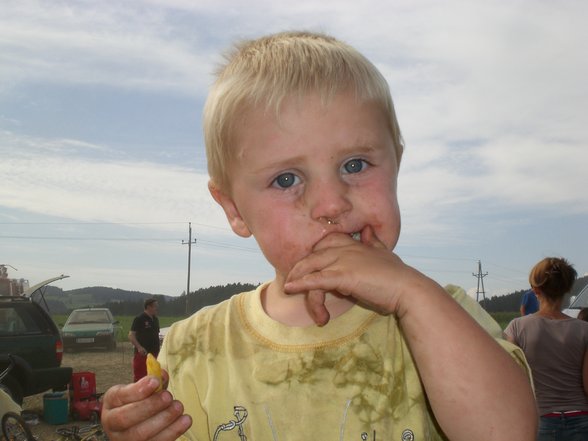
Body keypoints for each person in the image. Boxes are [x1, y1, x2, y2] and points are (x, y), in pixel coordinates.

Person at [101, 31, 537, 441]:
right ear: (234, 208)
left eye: (355, 165)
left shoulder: (443, 315)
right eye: (287, 178)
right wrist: (140, 427)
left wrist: (411, 294)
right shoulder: (197, 346)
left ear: (396, 165)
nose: (331, 204)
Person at [505, 257, 588, 440]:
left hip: (541, 420)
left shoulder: (517, 327)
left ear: (535, 290)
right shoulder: (584, 329)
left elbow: (509, 379)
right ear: (567, 289)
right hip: (582, 419)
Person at [128, 298, 160, 382]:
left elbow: (156, 335)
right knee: (141, 379)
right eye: (155, 306)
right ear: (148, 307)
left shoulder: (155, 319)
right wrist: (139, 347)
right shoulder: (139, 318)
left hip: (155, 354)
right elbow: (131, 335)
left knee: (154, 379)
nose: (157, 308)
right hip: (143, 354)